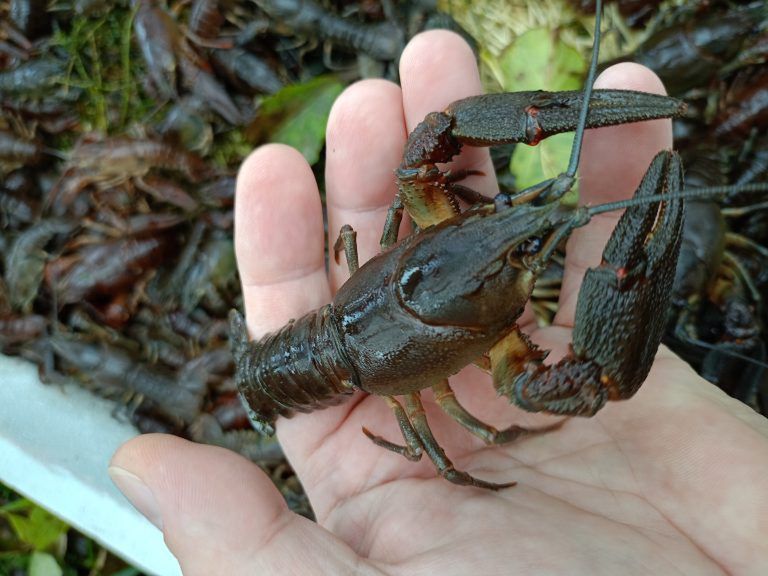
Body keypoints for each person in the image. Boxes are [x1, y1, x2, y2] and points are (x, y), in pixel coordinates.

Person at [109, 31, 768, 575]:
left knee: (436, 134)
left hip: (352, 329)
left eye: (503, 216)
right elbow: (589, 383)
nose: (511, 219)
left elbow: (433, 141)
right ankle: (257, 388)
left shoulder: (421, 215)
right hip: (295, 373)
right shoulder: (490, 344)